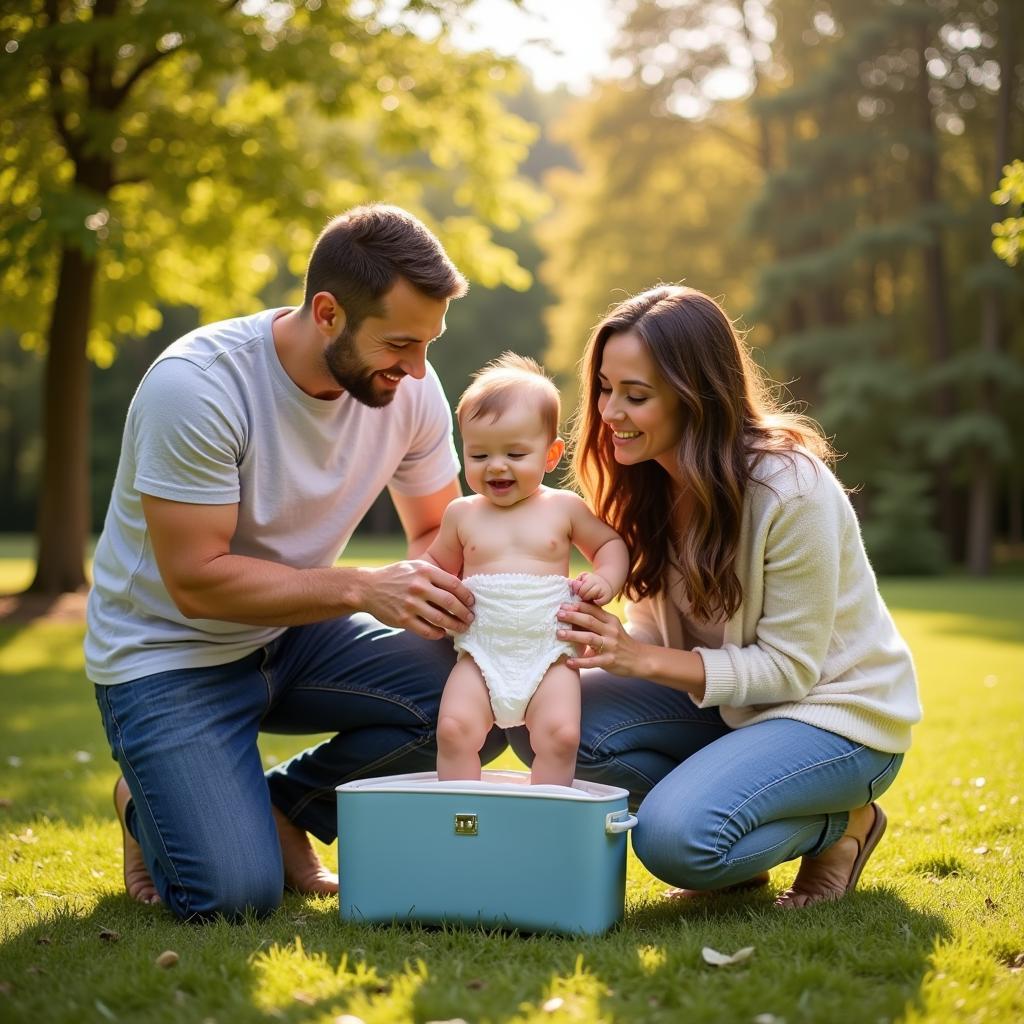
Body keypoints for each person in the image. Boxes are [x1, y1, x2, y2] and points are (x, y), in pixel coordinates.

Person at [86, 204, 508, 921]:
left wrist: (472, 615)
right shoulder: (197, 388)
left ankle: (285, 803)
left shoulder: (410, 387)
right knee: (233, 898)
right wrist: (362, 588)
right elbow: (196, 581)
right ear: (327, 313)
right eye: (402, 343)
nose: (417, 369)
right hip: (168, 655)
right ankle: (143, 803)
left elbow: (435, 529)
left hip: (294, 634)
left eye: (428, 345)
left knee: (484, 696)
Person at [525, 284, 921, 907]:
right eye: (604, 388)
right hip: (728, 713)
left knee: (675, 844)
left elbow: (790, 669)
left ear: (696, 397)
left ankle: (842, 827)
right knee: (548, 718)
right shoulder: (640, 485)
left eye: (636, 396)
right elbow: (656, 637)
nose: (609, 412)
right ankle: (729, 817)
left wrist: (638, 658)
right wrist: (583, 646)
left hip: (835, 719)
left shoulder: (790, 489)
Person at [422, 354, 629, 787]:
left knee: (561, 734)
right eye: (480, 454)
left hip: (549, 652)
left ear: (551, 454)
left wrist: (605, 580)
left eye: (516, 453)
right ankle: (463, 822)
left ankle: (548, 823)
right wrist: (426, 591)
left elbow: (610, 544)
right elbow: (434, 566)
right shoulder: (462, 513)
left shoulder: (564, 508)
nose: (497, 465)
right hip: (481, 652)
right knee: (454, 730)